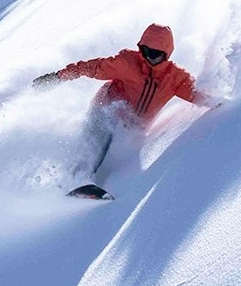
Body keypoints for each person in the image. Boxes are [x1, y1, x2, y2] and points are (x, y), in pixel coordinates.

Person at [33, 23, 216, 185]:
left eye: (156, 54)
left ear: (166, 54)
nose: (150, 57)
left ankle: (78, 181)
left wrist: (219, 102)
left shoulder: (174, 78)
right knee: (100, 136)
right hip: (105, 107)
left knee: (117, 156)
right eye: (146, 51)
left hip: (133, 126)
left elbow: (197, 94)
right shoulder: (127, 62)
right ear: (140, 47)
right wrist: (57, 77)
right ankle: (77, 180)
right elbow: (91, 67)